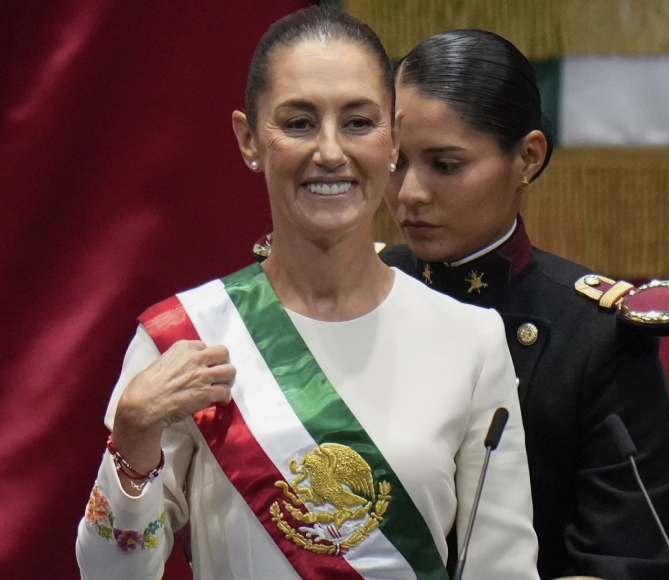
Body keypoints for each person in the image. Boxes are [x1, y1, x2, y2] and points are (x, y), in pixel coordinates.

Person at [76, 9, 540, 579]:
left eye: (358, 122)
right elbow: (108, 574)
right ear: (249, 140)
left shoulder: (471, 341)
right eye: (298, 123)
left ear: (393, 137)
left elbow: (503, 569)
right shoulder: (183, 337)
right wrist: (133, 441)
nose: (329, 152)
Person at [381, 29, 669, 580]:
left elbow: (628, 558)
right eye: (396, 162)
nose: (410, 193)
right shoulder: (360, 293)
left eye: (445, 165)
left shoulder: (597, 336)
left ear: (528, 156)